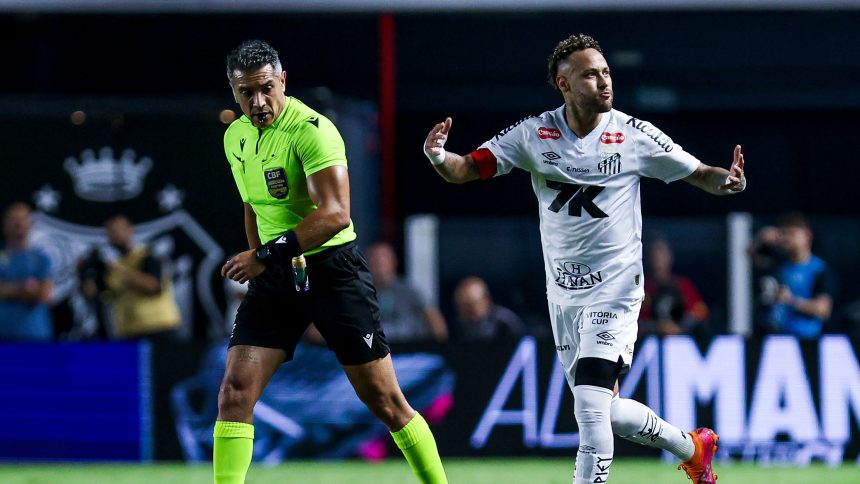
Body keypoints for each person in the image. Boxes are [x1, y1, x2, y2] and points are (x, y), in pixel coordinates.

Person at [422, 34, 746, 484]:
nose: (604, 81)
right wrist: (438, 155)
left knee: (590, 415)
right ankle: (693, 448)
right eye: (591, 75)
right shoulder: (534, 134)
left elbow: (700, 173)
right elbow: (465, 169)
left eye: (606, 72)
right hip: (564, 295)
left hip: (616, 290)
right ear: (564, 84)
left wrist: (726, 181)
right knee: (607, 411)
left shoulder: (633, 134)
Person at [216, 40, 446, 484]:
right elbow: (252, 206)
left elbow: (337, 214)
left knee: (385, 401)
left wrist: (263, 254)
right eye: (247, 92)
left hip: (331, 271)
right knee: (233, 393)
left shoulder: (313, 130)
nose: (258, 101)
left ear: (283, 81)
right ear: (234, 92)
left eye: (266, 88)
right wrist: (261, 266)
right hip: (276, 278)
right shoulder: (235, 136)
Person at [78, 215, 180, 340]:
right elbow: (94, 293)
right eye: (111, 232)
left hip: (159, 328)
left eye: (119, 230)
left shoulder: (147, 255)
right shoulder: (110, 267)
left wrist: (117, 268)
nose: (116, 235)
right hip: (128, 332)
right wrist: (83, 273)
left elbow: (153, 286)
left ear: (130, 230)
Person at [753, 212, 835, 339]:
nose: (786, 239)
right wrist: (760, 238)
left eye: (791, 233)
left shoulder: (819, 269)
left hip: (804, 338)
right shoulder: (780, 264)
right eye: (783, 234)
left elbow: (823, 310)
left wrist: (791, 301)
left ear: (807, 236)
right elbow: (752, 255)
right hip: (775, 335)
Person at [367, 241, 448, 343]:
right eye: (375, 262)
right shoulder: (363, 292)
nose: (380, 267)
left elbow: (432, 315)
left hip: (408, 346)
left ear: (393, 262)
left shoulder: (408, 290)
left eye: (383, 261)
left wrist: (442, 345)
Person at [0, 202, 53, 342]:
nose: (18, 224)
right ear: (4, 224)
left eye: (23, 219)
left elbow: (44, 294)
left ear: (31, 224)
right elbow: (35, 292)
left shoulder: (41, 259)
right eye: (13, 219)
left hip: (34, 337)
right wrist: (24, 289)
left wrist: (7, 289)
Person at [639, 237, 709, 337]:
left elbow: (700, 312)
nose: (657, 262)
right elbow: (636, 321)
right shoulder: (643, 289)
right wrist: (658, 327)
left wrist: (679, 327)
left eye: (661, 256)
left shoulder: (682, 285)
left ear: (669, 257)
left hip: (682, 340)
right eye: (654, 257)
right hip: (650, 342)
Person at [453, 276, 525, 342]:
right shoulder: (457, 326)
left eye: (470, 305)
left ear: (486, 300)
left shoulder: (504, 323)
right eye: (461, 306)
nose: (465, 311)